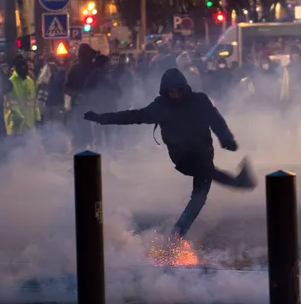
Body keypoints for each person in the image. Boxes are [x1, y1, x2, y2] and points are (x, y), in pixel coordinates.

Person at [84, 68, 255, 238]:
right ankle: (235, 185)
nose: (174, 95)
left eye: (177, 91)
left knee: (201, 192)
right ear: (165, 91)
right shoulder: (161, 107)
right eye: (171, 91)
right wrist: (103, 118)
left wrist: (226, 139)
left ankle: (179, 230)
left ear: (183, 88)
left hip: (203, 151)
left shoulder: (200, 101)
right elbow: (134, 116)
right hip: (182, 156)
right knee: (205, 176)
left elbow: (216, 121)